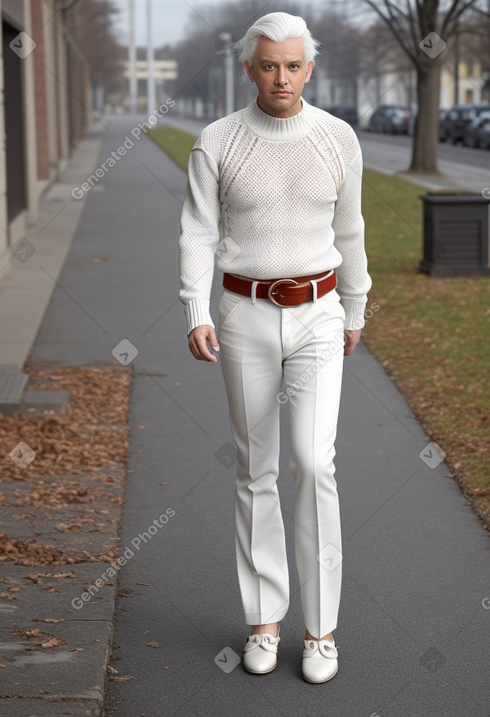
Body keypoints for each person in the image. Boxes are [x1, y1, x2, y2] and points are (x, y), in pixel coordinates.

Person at [178, 11, 371, 683]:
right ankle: (263, 619)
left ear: (309, 68)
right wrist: (194, 307)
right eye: (269, 65)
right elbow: (198, 231)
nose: (281, 76)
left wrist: (357, 305)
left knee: (313, 464)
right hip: (242, 315)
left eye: (293, 65)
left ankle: (321, 631)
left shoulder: (337, 138)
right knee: (255, 466)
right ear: (249, 68)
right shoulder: (218, 140)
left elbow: (351, 231)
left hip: (318, 313)